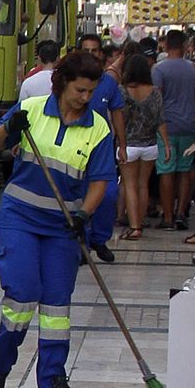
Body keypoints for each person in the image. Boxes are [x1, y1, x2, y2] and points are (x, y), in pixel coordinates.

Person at [0, 49, 117, 388]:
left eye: (91, 92)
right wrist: (10, 127)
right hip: (20, 217)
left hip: (62, 226)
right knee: (22, 294)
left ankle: (53, 381)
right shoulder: (34, 110)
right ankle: (0, 364)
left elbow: (100, 181)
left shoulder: (98, 127)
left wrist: (85, 215)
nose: (85, 99)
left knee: (57, 306)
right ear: (62, 83)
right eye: (79, 91)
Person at [81, 47, 126, 263]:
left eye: (94, 50)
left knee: (108, 195)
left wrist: (122, 146)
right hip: (77, 146)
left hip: (102, 145)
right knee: (80, 194)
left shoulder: (108, 83)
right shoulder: (68, 81)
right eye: (86, 49)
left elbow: (117, 114)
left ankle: (100, 239)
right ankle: (83, 243)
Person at [120, 54, 169, 240]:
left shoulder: (122, 91)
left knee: (130, 185)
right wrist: (166, 143)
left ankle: (134, 227)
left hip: (128, 145)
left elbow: (118, 119)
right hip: (150, 145)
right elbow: (161, 120)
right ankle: (139, 223)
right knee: (143, 185)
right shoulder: (155, 92)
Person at [154, 31, 195, 229]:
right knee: (185, 170)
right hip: (189, 125)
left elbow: (157, 100)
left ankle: (168, 217)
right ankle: (181, 213)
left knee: (166, 170)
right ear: (184, 45)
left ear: (166, 45)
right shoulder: (193, 69)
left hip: (166, 126)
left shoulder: (158, 70)